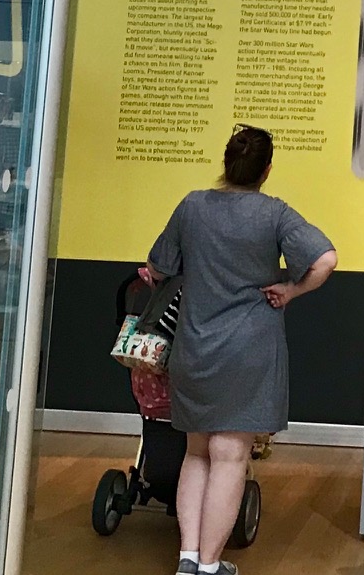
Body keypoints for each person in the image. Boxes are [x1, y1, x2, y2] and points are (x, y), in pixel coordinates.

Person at [148, 125, 337, 575]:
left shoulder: (193, 205)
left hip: (195, 348)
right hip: (249, 351)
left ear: (226, 162)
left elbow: (158, 265)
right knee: (230, 457)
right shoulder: (274, 213)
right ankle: (211, 565)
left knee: (196, 452)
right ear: (266, 170)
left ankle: (187, 558)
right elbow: (325, 259)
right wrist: (291, 290)